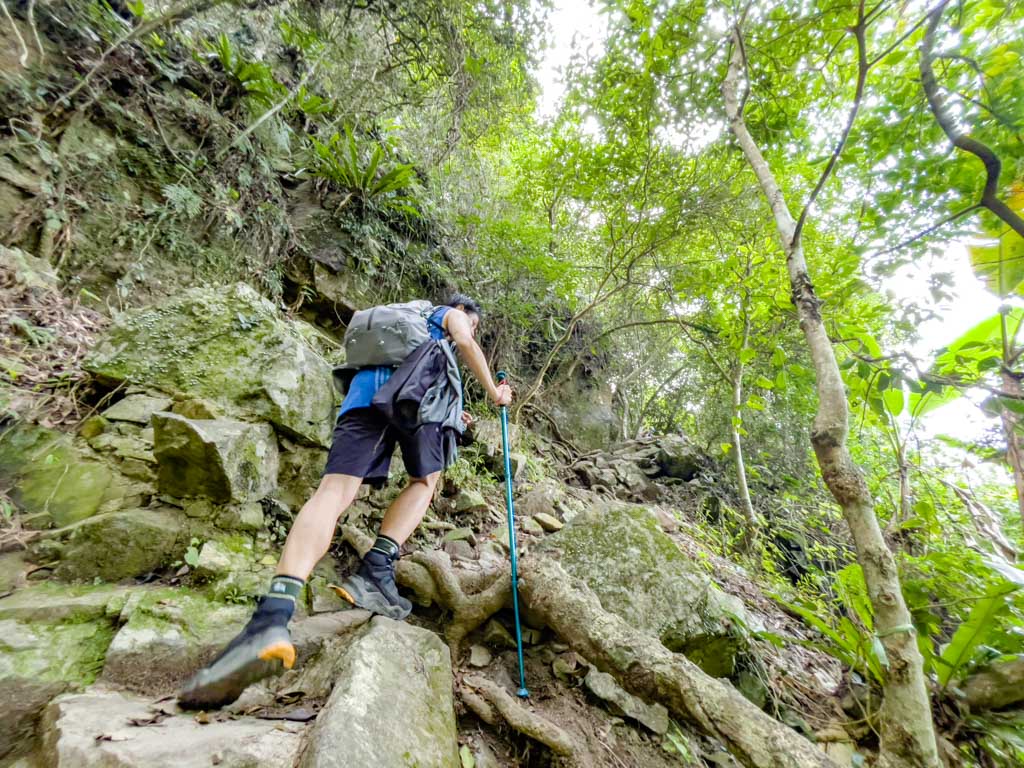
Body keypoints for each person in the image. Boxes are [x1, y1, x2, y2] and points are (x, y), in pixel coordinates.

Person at [178, 293, 512, 709]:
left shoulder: (403, 317)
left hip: (365, 392)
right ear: (464, 312)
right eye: (475, 324)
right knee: (425, 481)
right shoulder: (450, 315)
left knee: (335, 490)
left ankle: (271, 617)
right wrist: (493, 392)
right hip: (415, 397)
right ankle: (377, 568)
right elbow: (462, 341)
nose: (472, 329)